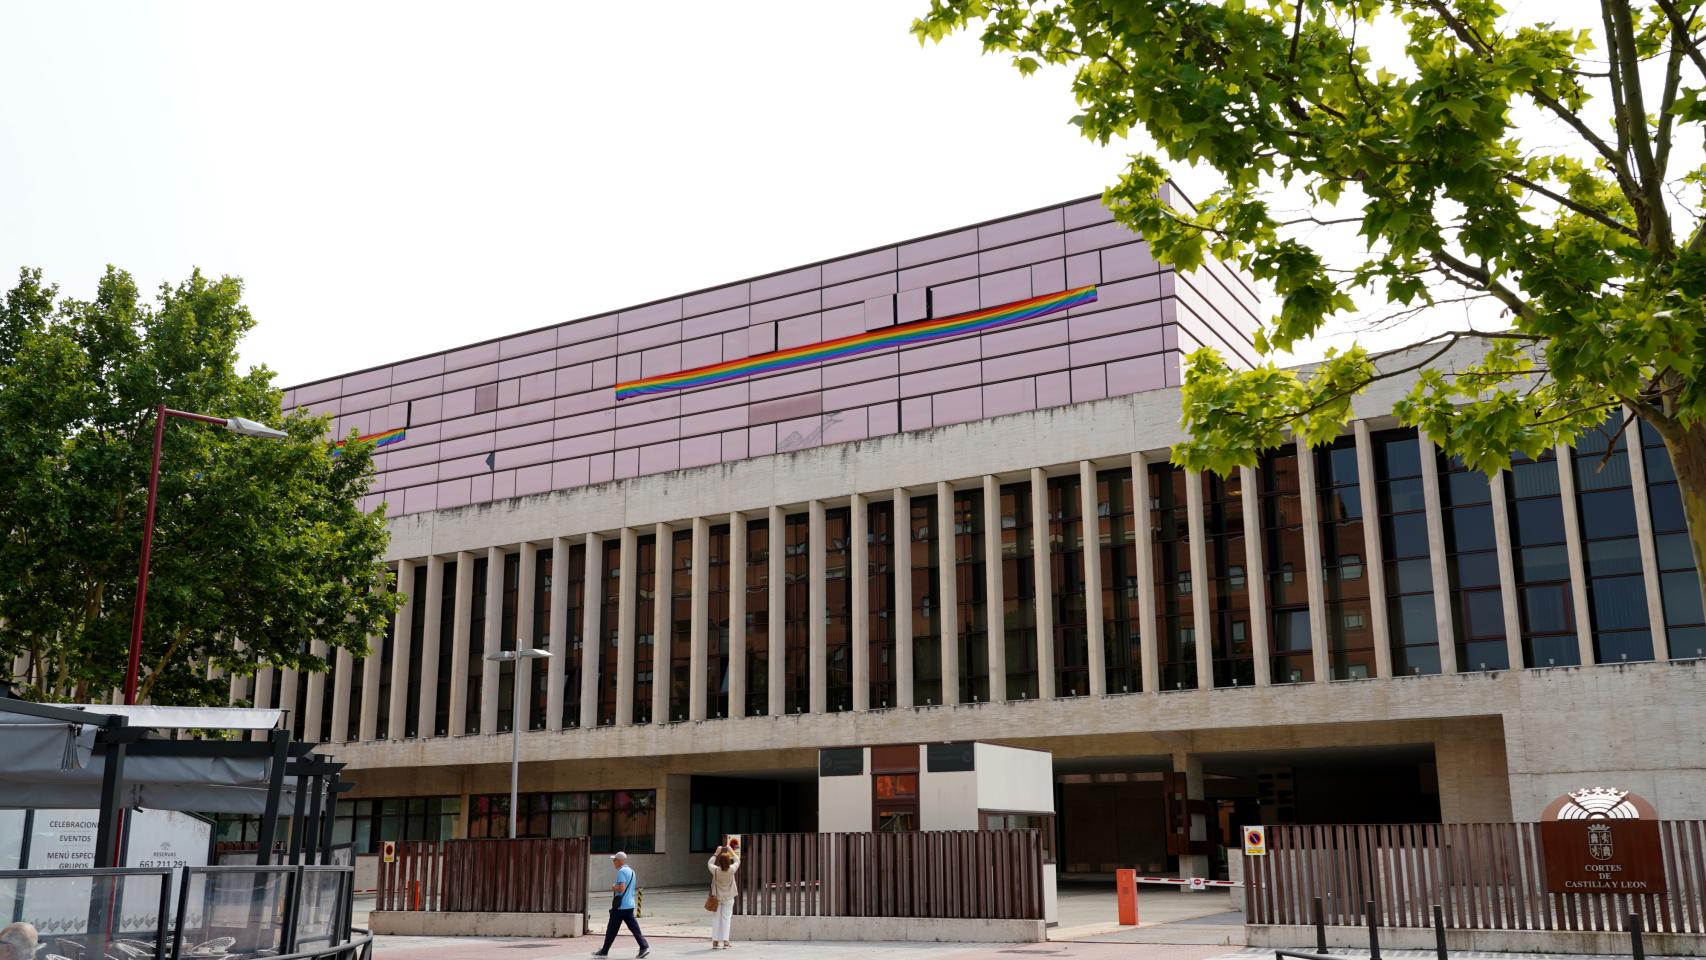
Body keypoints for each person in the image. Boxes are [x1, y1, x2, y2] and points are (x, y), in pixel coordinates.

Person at [592, 851, 649, 959]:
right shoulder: (632, 871)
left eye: (614, 860)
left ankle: (604, 952)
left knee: (611, 929)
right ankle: (643, 947)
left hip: (620, 907)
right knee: (634, 928)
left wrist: (614, 887)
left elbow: (622, 888)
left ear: (619, 861)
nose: (613, 862)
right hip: (630, 905)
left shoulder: (621, 872)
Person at [706, 844, 740, 949]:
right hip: (729, 897)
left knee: (716, 919)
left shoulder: (715, 870)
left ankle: (715, 942)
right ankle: (726, 941)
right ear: (728, 862)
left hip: (717, 898)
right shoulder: (732, 870)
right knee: (726, 918)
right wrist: (731, 851)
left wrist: (716, 853)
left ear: (719, 862)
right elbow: (738, 861)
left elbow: (709, 863)